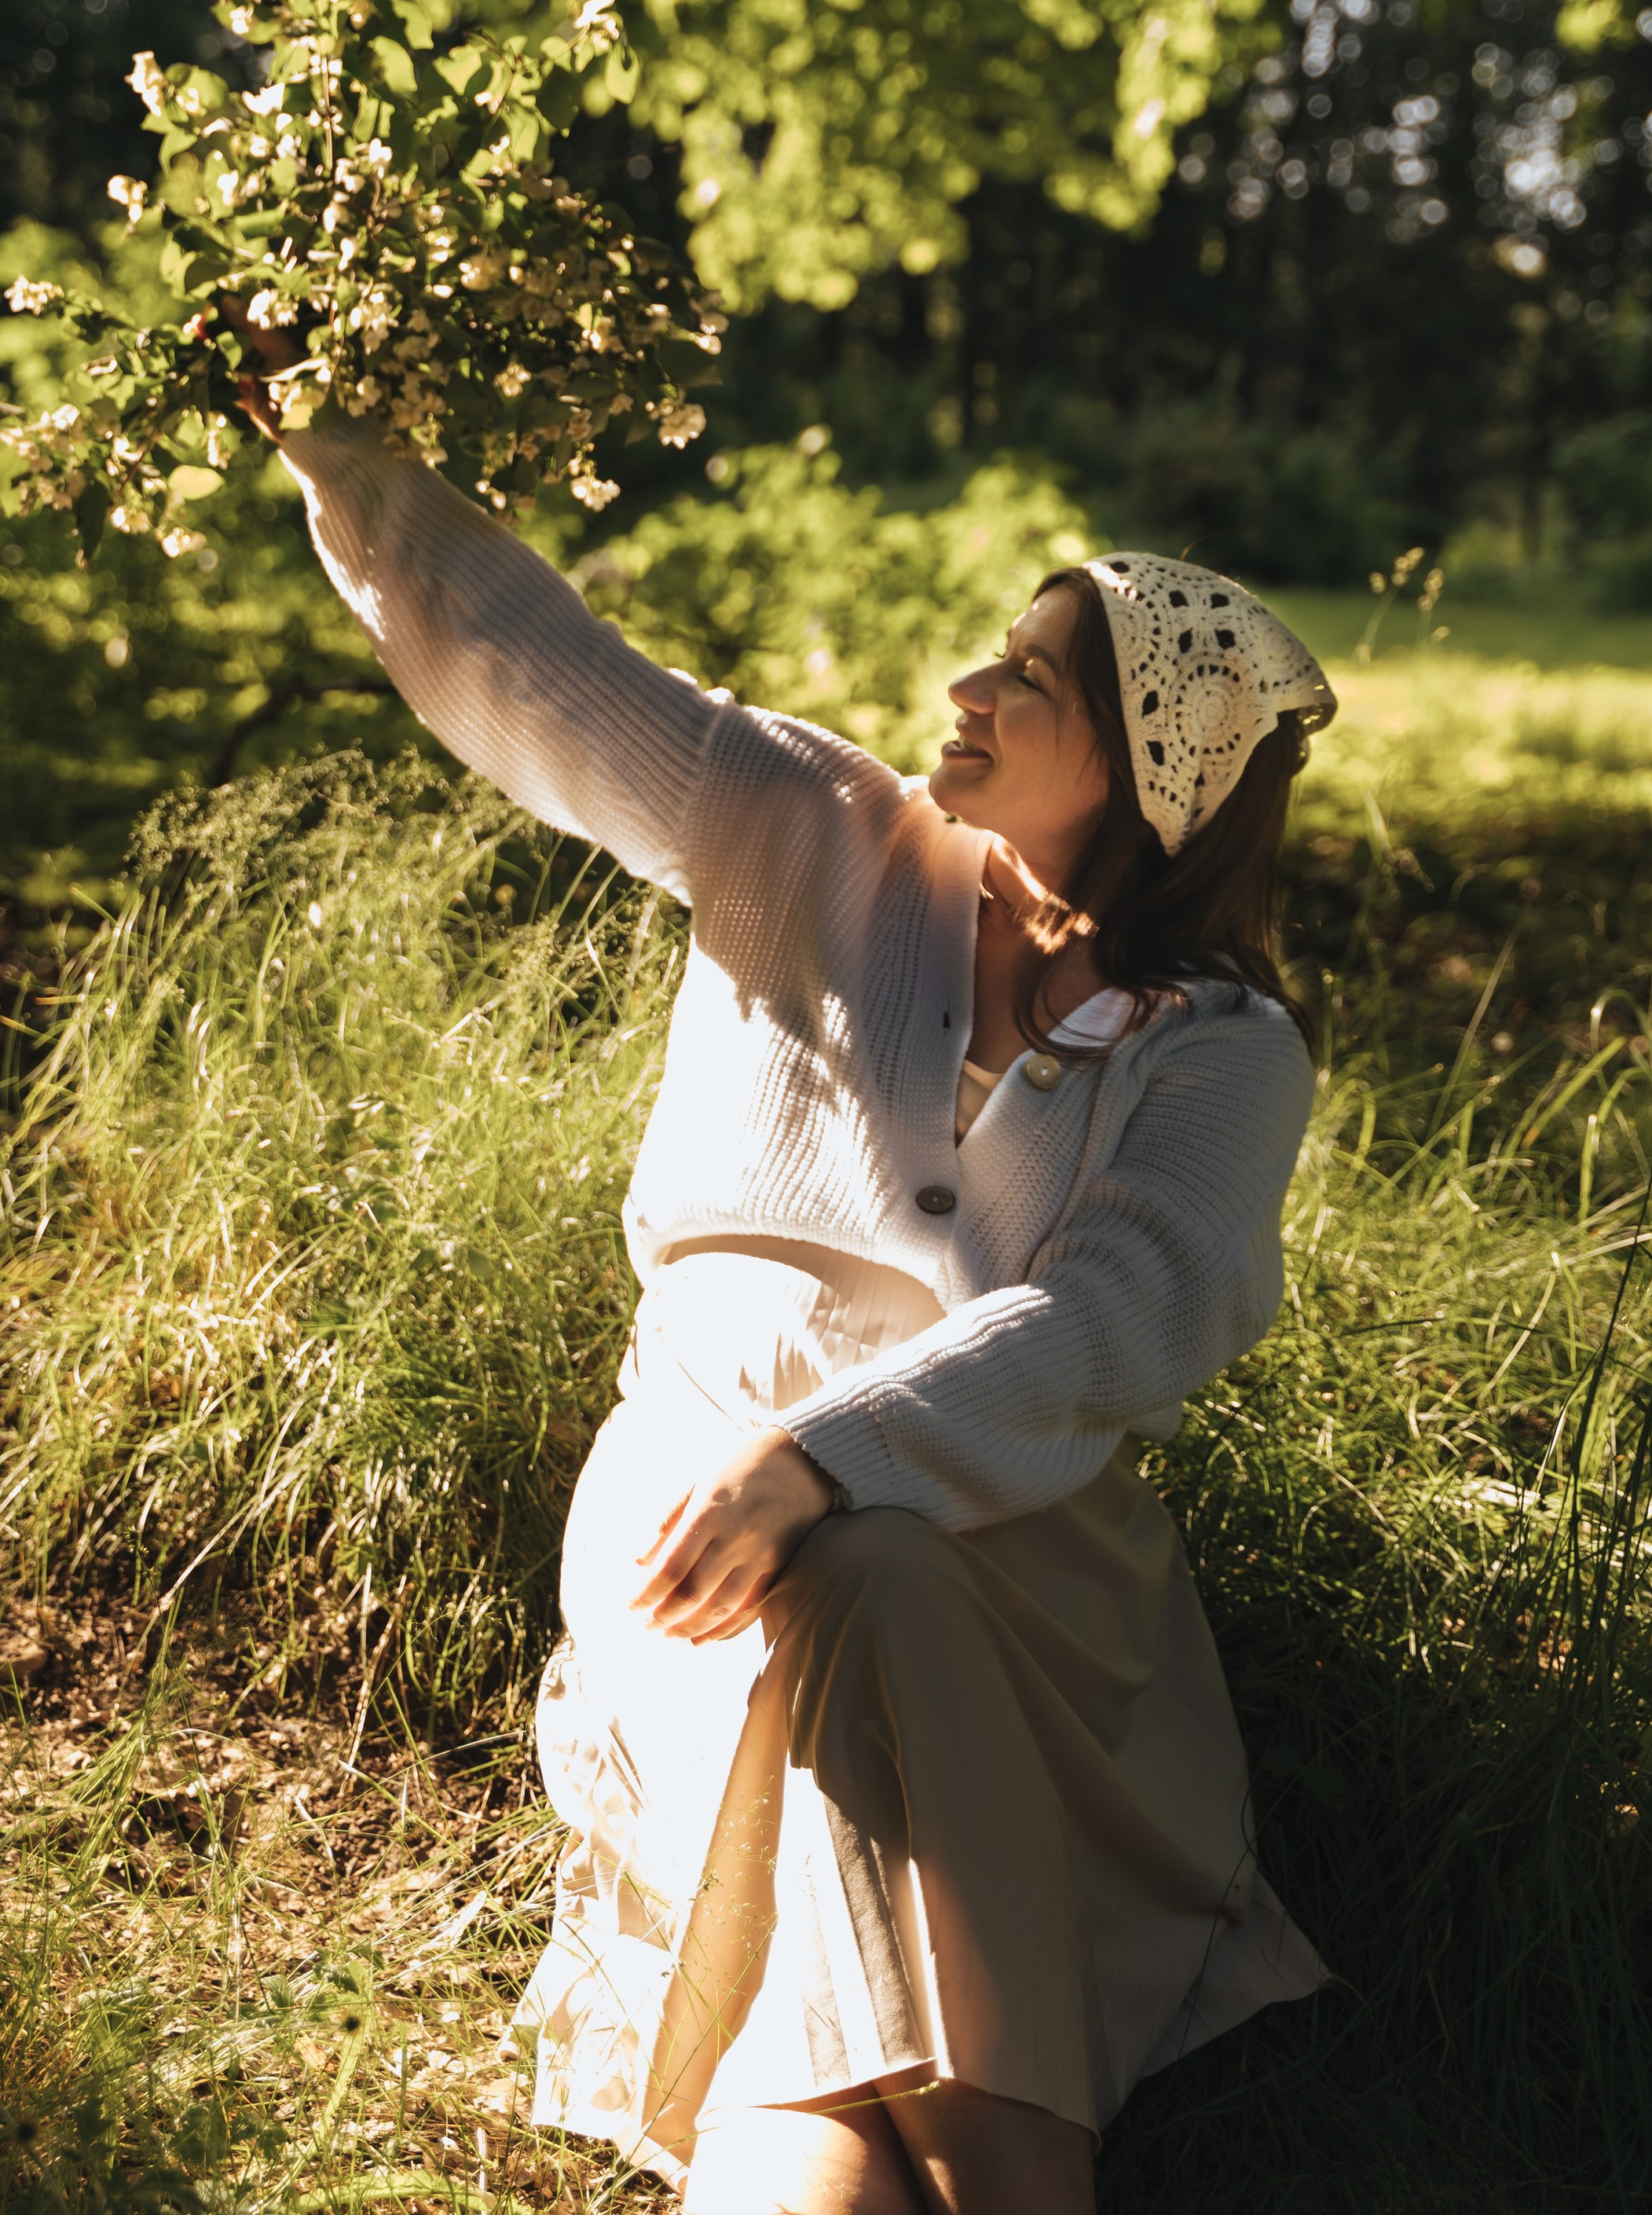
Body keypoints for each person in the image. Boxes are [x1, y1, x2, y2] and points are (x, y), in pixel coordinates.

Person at [242, 366, 1333, 2214]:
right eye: (994, 652)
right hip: (692, 1529)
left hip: (1025, 1598)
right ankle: (1019, 2163)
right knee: (852, 1577)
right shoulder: (809, 828)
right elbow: (533, 663)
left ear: (1154, 775)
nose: (965, 691)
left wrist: (818, 1455)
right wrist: (333, 439)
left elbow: (1104, 1318)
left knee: (872, 1600)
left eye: (1031, 681)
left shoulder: (1221, 1051)